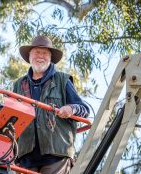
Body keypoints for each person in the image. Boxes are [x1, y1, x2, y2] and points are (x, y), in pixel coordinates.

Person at [13, 35, 89, 174]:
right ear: (29, 56)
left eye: (45, 53)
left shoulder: (62, 80)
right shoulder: (18, 85)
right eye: (37, 52)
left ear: (50, 57)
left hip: (56, 156)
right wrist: (13, 154)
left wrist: (71, 108)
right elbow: (12, 119)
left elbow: (84, 109)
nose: (40, 56)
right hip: (25, 159)